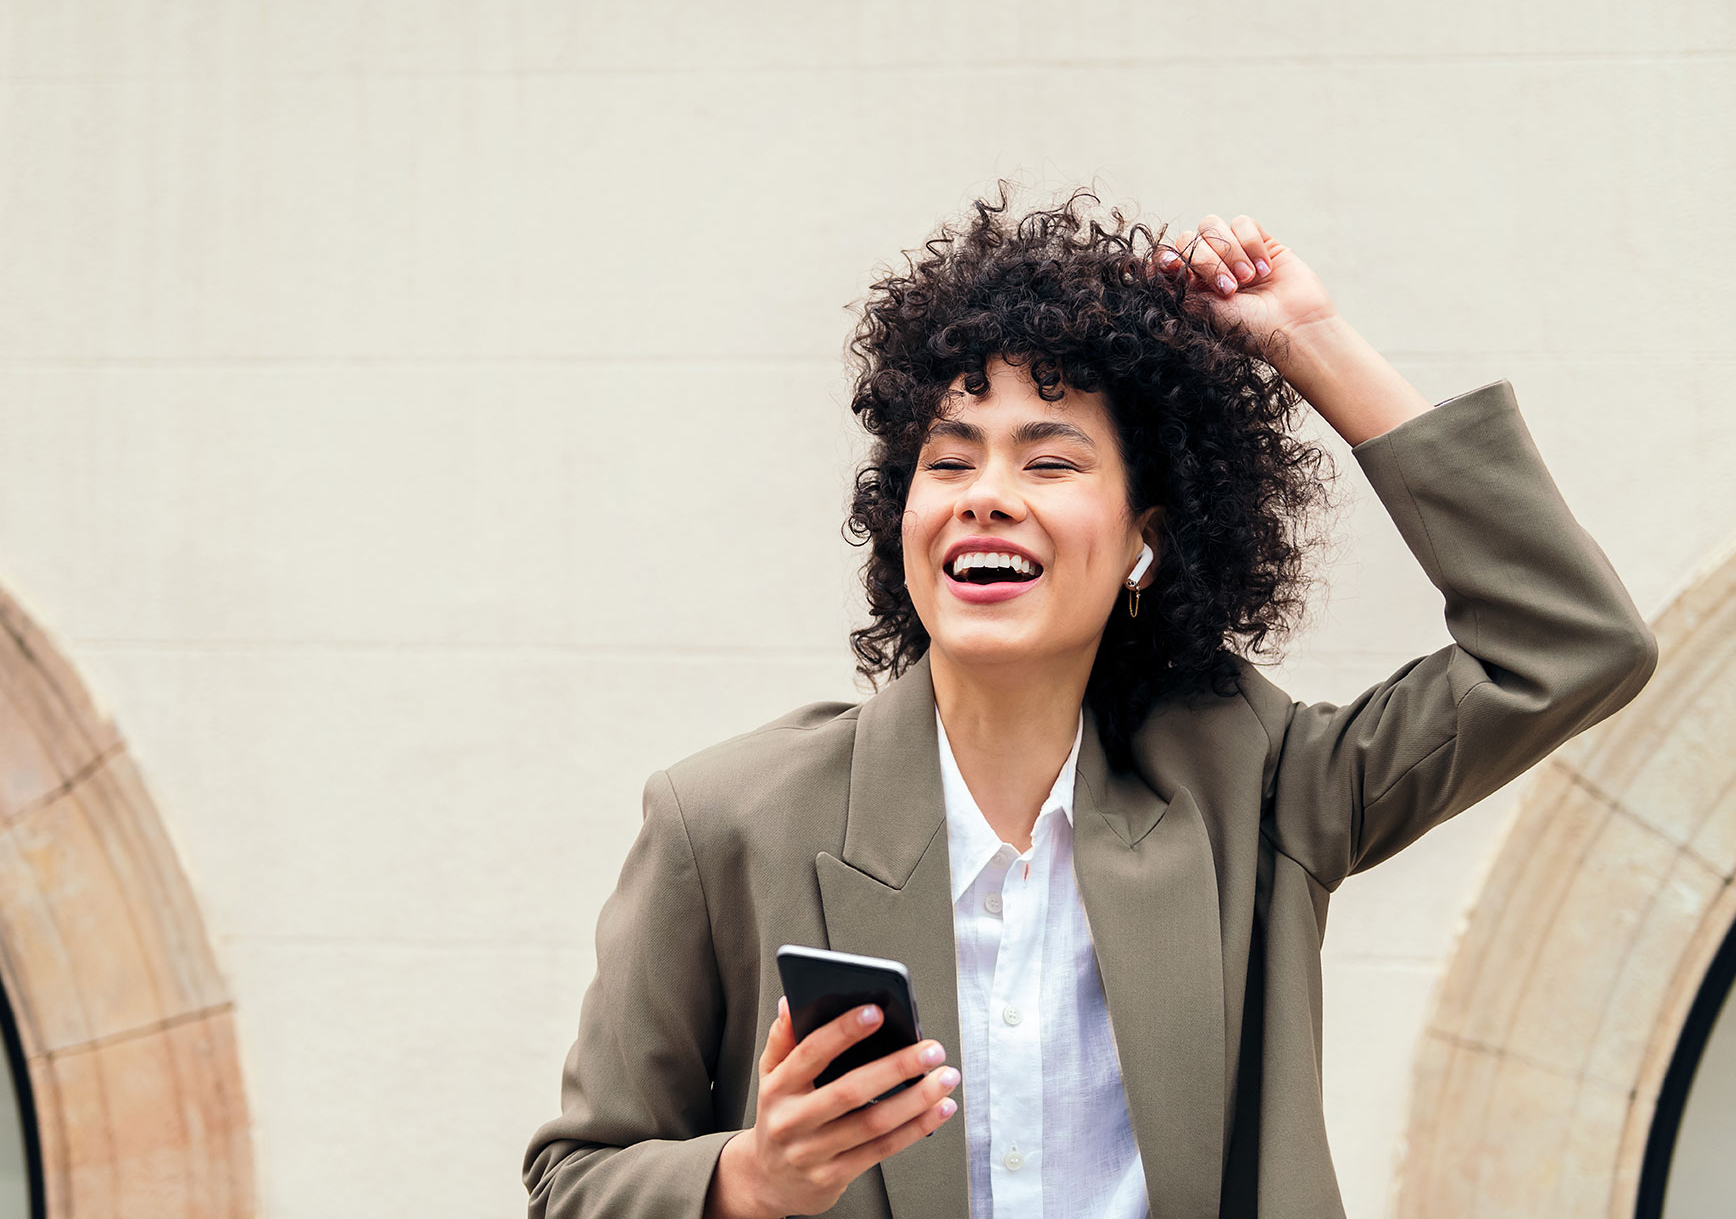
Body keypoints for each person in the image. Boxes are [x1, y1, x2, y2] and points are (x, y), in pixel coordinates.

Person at [522, 185, 1660, 1218]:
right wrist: (752, 1179)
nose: (987, 498)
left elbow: (1568, 643)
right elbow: (574, 1181)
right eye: (950, 459)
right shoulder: (723, 819)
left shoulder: (1259, 788)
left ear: (1144, 544)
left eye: (1050, 462)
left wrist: (1310, 343)